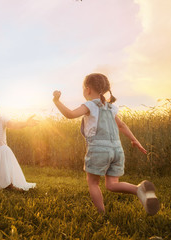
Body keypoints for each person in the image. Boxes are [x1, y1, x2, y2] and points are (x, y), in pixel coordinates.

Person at [52, 73, 159, 215]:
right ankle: (139, 189)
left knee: (93, 183)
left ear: (88, 89)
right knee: (112, 184)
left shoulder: (90, 105)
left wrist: (57, 101)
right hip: (117, 150)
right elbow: (121, 125)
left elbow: (70, 114)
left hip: (98, 150)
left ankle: (101, 213)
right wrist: (135, 140)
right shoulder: (111, 108)